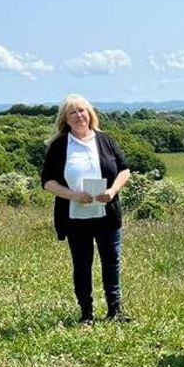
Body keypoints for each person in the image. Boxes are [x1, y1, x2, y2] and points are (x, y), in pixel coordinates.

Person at [41, 94, 132, 324]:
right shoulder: (60, 145)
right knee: (82, 265)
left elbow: (124, 170)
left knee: (111, 261)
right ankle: (87, 314)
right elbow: (48, 181)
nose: (79, 115)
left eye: (83, 110)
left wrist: (112, 192)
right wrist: (73, 195)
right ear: (66, 119)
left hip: (107, 213)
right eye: (73, 112)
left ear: (90, 113)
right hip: (75, 216)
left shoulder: (105, 140)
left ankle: (115, 311)